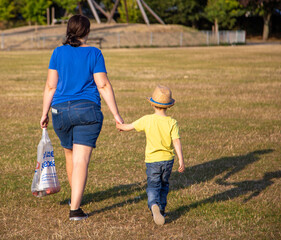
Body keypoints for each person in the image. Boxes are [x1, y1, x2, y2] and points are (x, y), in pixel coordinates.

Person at [40, 15, 123, 221]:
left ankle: (73, 199)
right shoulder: (94, 53)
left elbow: (51, 86)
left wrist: (44, 113)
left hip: (59, 111)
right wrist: (116, 114)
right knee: (81, 160)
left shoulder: (58, 52)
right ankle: (75, 209)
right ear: (87, 31)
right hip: (87, 110)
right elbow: (103, 85)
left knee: (70, 156)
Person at [116, 85, 185, 225]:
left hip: (152, 161)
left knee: (153, 185)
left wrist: (120, 125)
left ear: (153, 104)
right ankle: (162, 210)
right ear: (168, 106)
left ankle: (153, 205)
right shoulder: (172, 122)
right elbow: (176, 142)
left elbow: (128, 127)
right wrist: (181, 160)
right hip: (168, 160)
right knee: (164, 185)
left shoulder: (147, 119)